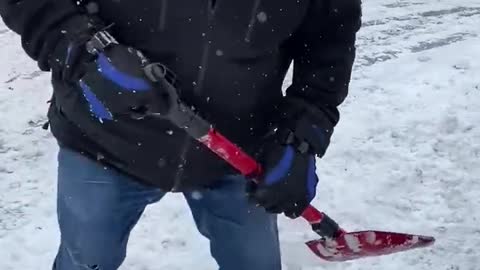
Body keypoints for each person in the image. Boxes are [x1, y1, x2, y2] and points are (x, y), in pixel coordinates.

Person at [0, 0, 362, 269]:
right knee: (87, 259)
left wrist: (300, 138)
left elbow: (329, 48)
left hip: (241, 150)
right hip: (105, 138)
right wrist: (83, 49)